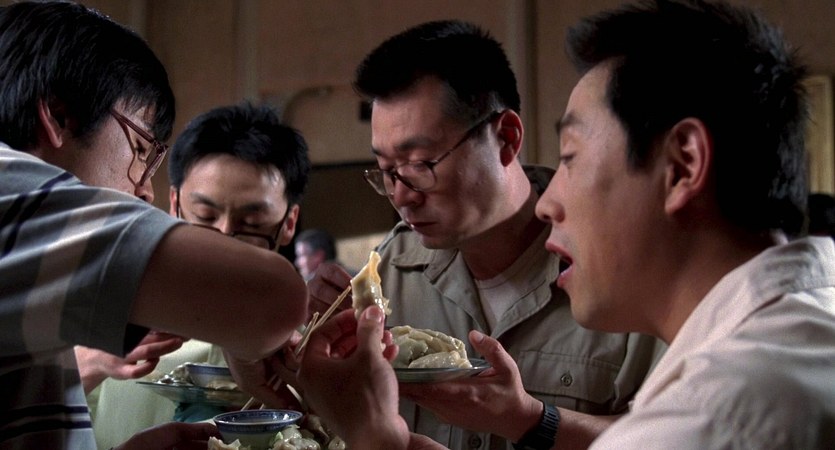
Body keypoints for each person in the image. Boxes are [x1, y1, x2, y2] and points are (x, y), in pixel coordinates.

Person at [297, 0, 835, 448]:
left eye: (571, 158)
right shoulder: (801, 335)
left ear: (683, 165)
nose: (550, 202)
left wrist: (376, 439)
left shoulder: (715, 417)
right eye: (386, 171)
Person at [304, 19, 663, 450]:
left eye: (420, 164)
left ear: (506, 138)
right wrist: (310, 338)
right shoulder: (393, 268)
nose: (401, 195)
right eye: (385, 170)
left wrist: (533, 421)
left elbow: (684, 435)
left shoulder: (620, 269)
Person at [0, 3, 307, 449]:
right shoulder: (13, 193)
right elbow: (272, 296)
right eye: (141, 149)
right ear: (59, 117)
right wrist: (242, 335)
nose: (145, 190)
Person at [77, 102, 311, 448]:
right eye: (205, 215)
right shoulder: (105, 323)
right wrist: (89, 363)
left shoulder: (304, 352)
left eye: (252, 222)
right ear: (174, 204)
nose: (224, 236)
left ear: (289, 222)